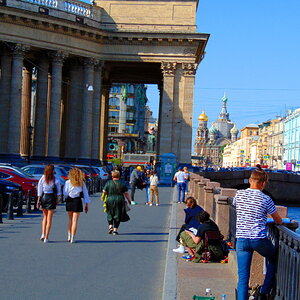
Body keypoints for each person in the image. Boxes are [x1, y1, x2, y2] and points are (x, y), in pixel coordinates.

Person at [233, 165, 282, 300]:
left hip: (241, 239)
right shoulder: (266, 198)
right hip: (258, 239)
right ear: (263, 183)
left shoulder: (239, 194)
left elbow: (240, 210)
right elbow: (278, 220)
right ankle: (265, 290)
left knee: (243, 277)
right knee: (273, 257)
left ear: (250, 180)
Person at [63, 168, 90, 243]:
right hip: (77, 201)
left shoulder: (68, 182)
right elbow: (85, 194)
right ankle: (73, 237)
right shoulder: (81, 183)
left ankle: (69, 236)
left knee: (70, 220)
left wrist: (67, 197)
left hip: (69, 200)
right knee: (75, 221)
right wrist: (86, 204)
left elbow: (65, 193)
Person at [36, 164, 61, 243]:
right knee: (49, 219)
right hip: (51, 198)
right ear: (53, 171)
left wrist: (38, 200)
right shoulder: (55, 179)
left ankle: (43, 234)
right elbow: (59, 191)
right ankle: (46, 237)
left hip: (44, 198)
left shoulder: (42, 178)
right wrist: (58, 199)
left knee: (45, 217)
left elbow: (39, 191)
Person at [102, 170, 131, 235]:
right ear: (119, 176)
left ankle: (110, 226)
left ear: (112, 176)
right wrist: (129, 200)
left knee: (109, 213)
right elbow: (126, 193)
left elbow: (104, 191)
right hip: (119, 199)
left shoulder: (108, 183)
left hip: (109, 199)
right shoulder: (122, 183)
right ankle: (115, 230)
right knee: (118, 214)